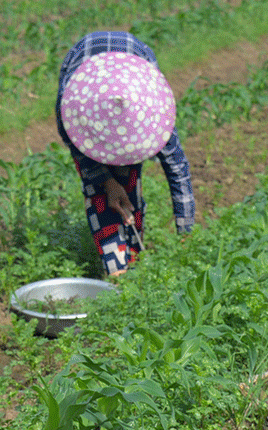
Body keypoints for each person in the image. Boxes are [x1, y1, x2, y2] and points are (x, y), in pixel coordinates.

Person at [56, 31, 195, 277]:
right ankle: (117, 268)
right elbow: (80, 152)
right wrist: (107, 182)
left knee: (129, 177)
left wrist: (186, 235)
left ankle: (132, 254)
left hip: (135, 68)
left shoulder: (153, 115)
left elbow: (178, 171)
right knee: (98, 190)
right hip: (85, 75)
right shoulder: (73, 110)